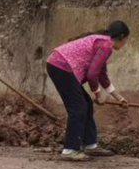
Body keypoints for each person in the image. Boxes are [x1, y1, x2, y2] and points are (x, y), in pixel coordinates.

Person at [45, 21, 130, 159]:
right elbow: (92, 74)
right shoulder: (106, 46)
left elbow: (101, 74)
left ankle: (90, 145)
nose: (126, 43)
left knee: (86, 104)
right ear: (122, 36)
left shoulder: (103, 42)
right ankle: (70, 150)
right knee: (78, 107)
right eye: (126, 39)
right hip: (61, 67)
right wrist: (98, 94)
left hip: (58, 65)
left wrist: (118, 97)